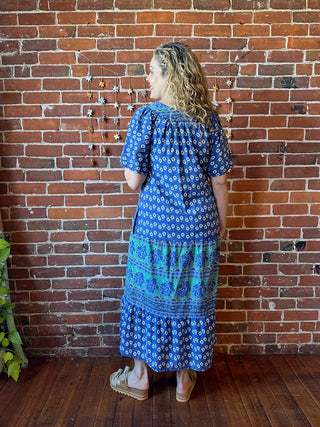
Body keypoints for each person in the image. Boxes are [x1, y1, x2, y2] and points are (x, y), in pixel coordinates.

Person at [110, 42, 233, 402]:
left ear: (171, 76)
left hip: (156, 231)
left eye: (152, 70)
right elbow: (220, 180)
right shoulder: (208, 119)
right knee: (193, 301)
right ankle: (182, 382)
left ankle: (139, 379)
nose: (147, 76)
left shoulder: (146, 117)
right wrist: (223, 223)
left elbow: (133, 181)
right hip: (200, 229)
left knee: (145, 298)